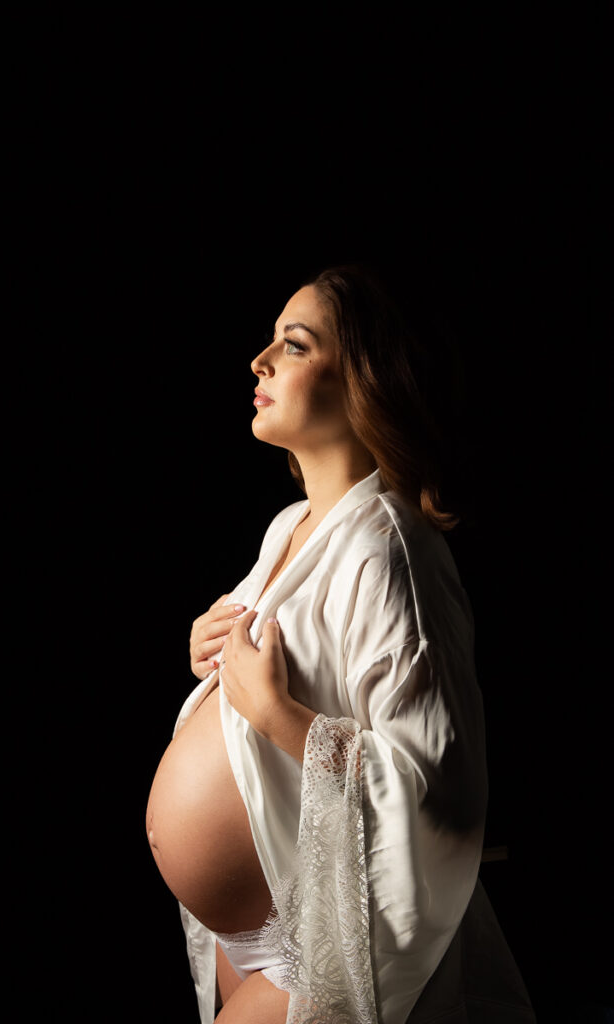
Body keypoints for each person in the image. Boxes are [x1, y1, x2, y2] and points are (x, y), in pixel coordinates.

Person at [145, 265, 535, 1023]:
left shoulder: (392, 549)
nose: (259, 362)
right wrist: (215, 664)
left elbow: (440, 798)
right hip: (258, 920)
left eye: (292, 346)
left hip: (329, 934)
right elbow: (284, 680)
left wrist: (272, 715)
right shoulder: (287, 529)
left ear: (367, 381)